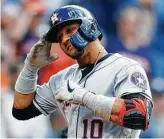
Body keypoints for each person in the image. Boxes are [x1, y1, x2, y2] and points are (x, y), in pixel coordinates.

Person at [13, 5, 153, 138]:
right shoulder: (63, 79)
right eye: (59, 37)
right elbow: (21, 110)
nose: (64, 40)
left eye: (69, 30)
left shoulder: (124, 68)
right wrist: (30, 68)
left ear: (90, 27)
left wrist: (83, 97)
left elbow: (139, 115)